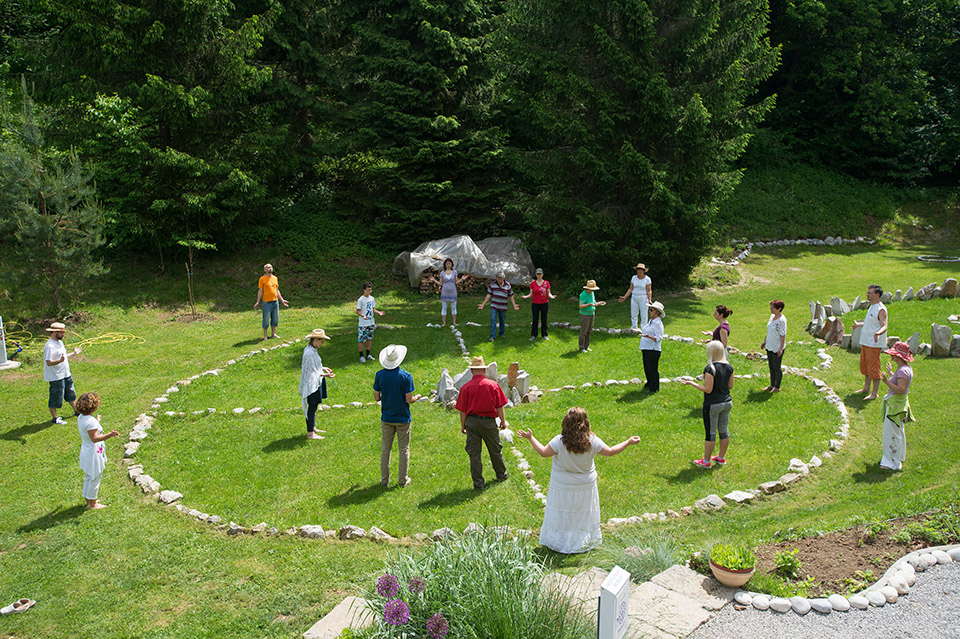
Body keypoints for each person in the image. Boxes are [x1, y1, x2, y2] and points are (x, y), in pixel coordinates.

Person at [517, 407, 640, 554]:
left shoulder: (560, 441)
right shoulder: (592, 441)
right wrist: (628, 442)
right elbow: (611, 451)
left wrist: (531, 438)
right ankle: (583, 541)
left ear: (566, 422)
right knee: (582, 513)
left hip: (562, 485)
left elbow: (543, 453)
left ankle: (560, 542)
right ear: (585, 422)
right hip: (585, 485)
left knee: (562, 513)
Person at [455, 356, 509, 490]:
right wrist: (502, 421)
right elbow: (500, 406)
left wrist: (463, 425)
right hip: (489, 422)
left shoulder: (466, 388)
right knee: (495, 450)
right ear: (484, 370)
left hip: (472, 422)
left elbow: (462, 410)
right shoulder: (493, 385)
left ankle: (478, 484)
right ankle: (501, 475)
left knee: (474, 453)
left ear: (472, 371)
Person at [374, 344, 422, 487]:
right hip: (403, 418)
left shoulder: (380, 375)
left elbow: (377, 397)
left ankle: (384, 480)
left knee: (385, 449)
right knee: (403, 449)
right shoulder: (406, 377)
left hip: (387, 418)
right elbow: (409, 399)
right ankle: (402, 480)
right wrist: (417, 397)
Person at [681, 340, 734, 468]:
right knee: (723, 430)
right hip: (727, 402)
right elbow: (730, 386)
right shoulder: (729, 367)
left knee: (710, 433)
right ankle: (721, 457)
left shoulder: (710, 368)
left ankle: (706, 461)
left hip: (713, 404)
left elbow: (708, 389)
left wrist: (692, 383)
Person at [75, 392, 119, 509]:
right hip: (93, 453)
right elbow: (94, 438)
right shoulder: (91, 421)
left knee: (89, 476)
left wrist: (97, 421)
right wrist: (110, 434)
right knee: (95, 477)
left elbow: (91, 429)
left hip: (86, 451)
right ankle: (93, 504)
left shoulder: (82, 418)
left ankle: (89, 498)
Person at [879, 342, 915, 471]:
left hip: (896, 406)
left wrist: (886, 381)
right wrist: (890, 373)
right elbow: (899, 381)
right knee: (897, 431)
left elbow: (900, 389)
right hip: (897, 405)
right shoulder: (904, 369)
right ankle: (897, 458)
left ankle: (891, 462)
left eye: (894, 354)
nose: (891, 356)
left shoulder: (903, 371)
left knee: (892, 434)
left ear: (899, 356)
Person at [852, 284, 888, 400]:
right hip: (866, 342)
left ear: (877, 295)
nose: (867, 294)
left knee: (873, 367)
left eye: (870, 293)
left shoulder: (880, 309)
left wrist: (878, 333)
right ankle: (866, 388)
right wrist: (858, 325)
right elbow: (870, 323)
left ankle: (874, 393)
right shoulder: (872, 306)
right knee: (866, 366)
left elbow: (884, 325)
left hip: (873, 344)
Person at [43, 322, 81, 424]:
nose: (63, 334)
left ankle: (77, 411)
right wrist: (60, 361)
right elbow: (49, 362)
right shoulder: (50, 346)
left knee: (71, 393)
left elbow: (63, 356)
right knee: (56, 397)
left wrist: (73, 354)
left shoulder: (60, 343)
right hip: (56, 377)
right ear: (54, 332)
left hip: (65, 374)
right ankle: (55, 418)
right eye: (61, 332)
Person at [300, 329, 335, 439]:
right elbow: (310, 371)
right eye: (321, 341)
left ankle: (313, 426)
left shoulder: (312, 350)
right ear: (315, 340)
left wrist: (323, 368)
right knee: (312, 406)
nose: (322, 343)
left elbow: (313, 366)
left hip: (316, 381)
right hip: (311, 384)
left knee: (314, 406)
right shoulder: (309, 352)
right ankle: (310, 433)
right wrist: (324, 375)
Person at [426, 258, 468, 327]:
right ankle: (444, 323)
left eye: (450, 263)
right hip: (444, 292)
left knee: (454, 307)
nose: (448, 265)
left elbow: (456, 282)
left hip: (453, 291)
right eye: (447, 263)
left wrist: (462, 279)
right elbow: (440, 283)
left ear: (452, 264)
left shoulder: (454, 272)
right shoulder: (442, 273)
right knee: (444, 307)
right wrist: (434, 280)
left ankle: (454, 322)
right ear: (445, 265)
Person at [478, 272, 519, 342]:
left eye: (501, 278)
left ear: (503, 278)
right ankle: (492, 336)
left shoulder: (508, 285)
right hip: (494, 305)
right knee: (493, 320)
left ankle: (502, 333)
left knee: (502, 320)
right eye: (498, 278)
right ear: (496, 278)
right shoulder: (492, 285)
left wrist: (514, 304)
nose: (499, 280)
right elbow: (488, 295)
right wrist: (483, 304)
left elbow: (511, 295)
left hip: (503, 306)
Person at [253, 263, 289, 340]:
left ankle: (273, 334)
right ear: (265, 270)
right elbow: (260, 290)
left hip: (275, 302)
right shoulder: (262, 279)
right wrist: (257, 302)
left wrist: (282, 300)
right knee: (266, 319)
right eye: (268, 267)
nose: (270, 269)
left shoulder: (275, 278)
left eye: (271, 267)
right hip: (266, 302)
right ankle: (265, 336)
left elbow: (277, 290)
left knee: (275, 318)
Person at [521, 268, 556, 341]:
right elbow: (531, 294)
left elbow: (548, 293)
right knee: (535, 319)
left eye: (540, 274)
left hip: (544, 303)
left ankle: (544, 335)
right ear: (536, 275)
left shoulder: (546, 283)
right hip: (535, 304)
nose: (539, 275)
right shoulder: (533, 283)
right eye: (537, 274)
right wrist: (526, 296)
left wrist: (551, 296)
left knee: (544, 319)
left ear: (542, 275)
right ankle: (533, 335)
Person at [356, 281, 386, 363]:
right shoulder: (361, 300)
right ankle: (361, 356)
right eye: (368, 290)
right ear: (364, 290)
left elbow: (372, 309)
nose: (370, 292)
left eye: (371, 290)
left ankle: (368, 354)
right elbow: (357, 311)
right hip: (363, 323)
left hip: (371, 322)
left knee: (369, 338)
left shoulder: (372, 299)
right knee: (361, 340)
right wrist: (362, 315)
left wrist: (378, 312)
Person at [617, 263, 653, 332]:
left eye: (641, 270)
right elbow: (630, 289)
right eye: (638, 270)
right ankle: (634, 328)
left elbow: (649, 290)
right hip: (634, 298)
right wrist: (624, 297)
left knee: (644, 315)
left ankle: (644, 329)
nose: (639, 271)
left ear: (643, 271)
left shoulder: (647, 279)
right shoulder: (634, 278)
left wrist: (649, 300)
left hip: (643, 298)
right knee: (633, 314)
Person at [639, 301, 666, 392]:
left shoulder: (658, 323)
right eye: (649, 310)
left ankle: (654, 388)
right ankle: (649, 383)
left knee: (652, 369)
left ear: (657, 312)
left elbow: (659, 338)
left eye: (651, 310)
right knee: (647, 368)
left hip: (653, 349)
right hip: (646, 347)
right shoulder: (651, 321)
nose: (649, 311)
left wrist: (648, 336)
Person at [761, 300, 787, 392]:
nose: (771, 309)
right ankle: (772, 385)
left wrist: (780, 348)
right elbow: (769, 331)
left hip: (777, 346)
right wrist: (765, 341)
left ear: (779, 309)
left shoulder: (781, 320)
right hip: (769, 345)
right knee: (771, 366)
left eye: (773, 308)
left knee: (777, 367)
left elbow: (783, 335)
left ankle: (777, 387)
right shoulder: (772, 317)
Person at [578, 280, 605, 353]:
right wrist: (589, 304)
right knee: (584, 331)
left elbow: (594, 303)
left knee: (589, 331)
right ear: (588, 288)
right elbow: (581, 306)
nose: (593, 290)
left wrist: (599, 303)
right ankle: (581, 347)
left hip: (592, 314)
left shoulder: (592, 293)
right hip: (585, 315)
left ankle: (586, 346)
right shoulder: (583, 295)